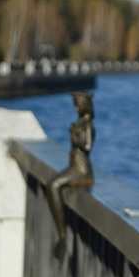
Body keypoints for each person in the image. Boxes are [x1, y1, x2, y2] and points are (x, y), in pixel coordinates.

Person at [46, 91, 95, 261]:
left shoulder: (88, 124)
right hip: (74, 165)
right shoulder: (81, 122)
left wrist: (76, 137)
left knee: (53, 185)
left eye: (77, 104)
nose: (75, 107)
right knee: (52, 183)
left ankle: (62, 233)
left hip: (81, 169)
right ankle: (61, 232)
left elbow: (87, 145)